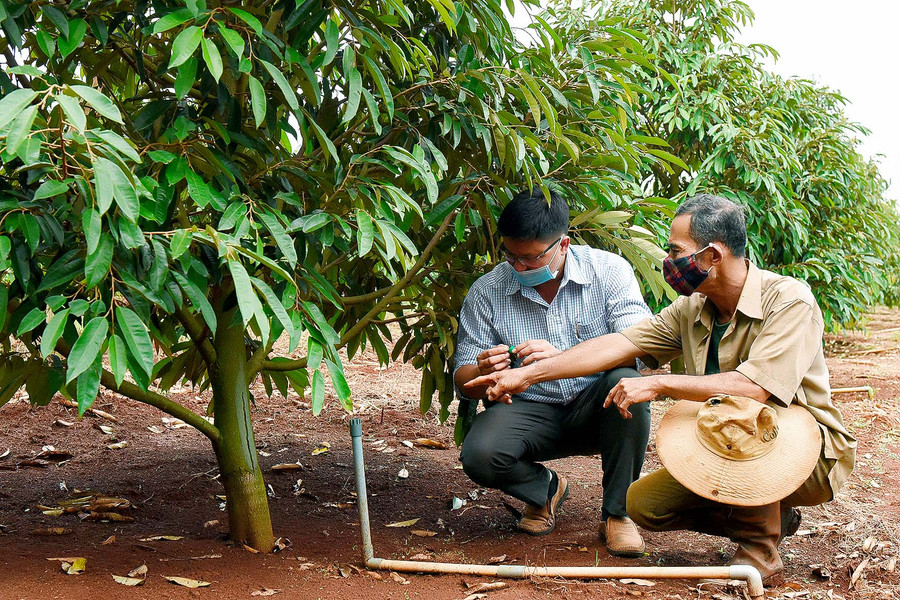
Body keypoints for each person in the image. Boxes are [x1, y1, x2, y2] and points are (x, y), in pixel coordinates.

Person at [467, 194, 855, 583]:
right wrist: (528, 375)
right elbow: (619, 344)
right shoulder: (693, 307)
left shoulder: (789, 301)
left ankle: (760, 551)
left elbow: (752, 389)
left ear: (712, 255)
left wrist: (659, 383)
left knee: (746, 416)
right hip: (725, 443)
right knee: (645, 505)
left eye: (676, 250)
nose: (669, 261)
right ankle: (764, 514)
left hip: (806, 452)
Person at [453, 187, 652, 557]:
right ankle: (545, 489)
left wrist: (560, 359)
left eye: (528, 259)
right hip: (529, 412)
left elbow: (640, 347)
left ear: (563, 244)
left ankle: (618, 514)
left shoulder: (609, 272)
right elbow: (463, 380)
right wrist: (481, 372)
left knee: (629, 383)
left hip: (599, 406)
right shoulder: (488, 291)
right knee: (479, 454)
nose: (518, 267)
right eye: (510, 256)